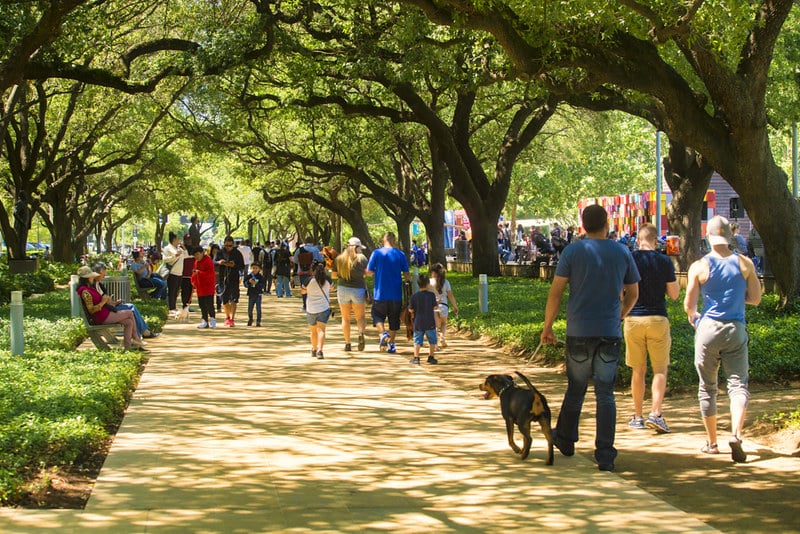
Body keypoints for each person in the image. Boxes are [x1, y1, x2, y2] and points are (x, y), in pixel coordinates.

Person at [541, 204, 640, 472]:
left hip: (578, 332)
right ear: (607, 223)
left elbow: (556, 293)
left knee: (576, 388)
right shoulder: (622, 251)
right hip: (609, 332)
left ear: (582, 226)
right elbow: (634, 292)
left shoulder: (572, 251)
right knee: (605, 394)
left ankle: (566, 438)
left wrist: (548, 327)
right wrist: (621, 313)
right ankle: (605, 454)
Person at [684, 215, 762, 463]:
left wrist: (694, 317)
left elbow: (689, 305)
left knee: (707, 387)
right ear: (729, 236)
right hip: (735, 328)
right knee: (738, 385)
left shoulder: (699, 266)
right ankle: (736, 436)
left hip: (708, 329)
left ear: (708, 237)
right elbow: (756, 298)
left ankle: (712, 442)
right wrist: (738, 299)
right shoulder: (745, 263)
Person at [623, 223, 679, 433]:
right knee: (660, 369)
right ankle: (655, 413)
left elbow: (622, 292)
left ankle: (637, 416)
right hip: (657, 319)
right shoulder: (664, 261)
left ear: (638, 239)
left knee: (638, 370)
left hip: (633, 319)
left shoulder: (630, 259)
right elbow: (674, 294)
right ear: (656, 241)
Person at [76, 266, 143, 351]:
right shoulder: (85, 291)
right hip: (101, 317)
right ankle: (136, 338)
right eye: (92, 276)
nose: (93, 278)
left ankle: (128, 347)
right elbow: (91, 309)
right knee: (130, 312)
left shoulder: (90, 288)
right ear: (87, 278)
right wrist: (103, 302)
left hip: (105, 314)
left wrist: (109, 301)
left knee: (129, 322)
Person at [366, 231, 411, 354]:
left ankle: (382, 333)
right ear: (394, 241)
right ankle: (391, 344)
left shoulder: (376, 253)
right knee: (394, 320)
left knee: (377, 315)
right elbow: (407, 274)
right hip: (396, 294)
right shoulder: (400, 254)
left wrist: (377, 272)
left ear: (383, 240)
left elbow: (369, 272)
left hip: (380, 293)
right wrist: (410, 283)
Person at [92, 262, 158, 340]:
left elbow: (105, 300)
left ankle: (139, 335)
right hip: (106, 312)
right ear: (97, 273)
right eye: (103, 275)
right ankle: (140, 334)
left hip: (109, 308)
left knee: (130, 308)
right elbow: (100, 302)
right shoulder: (93, 287)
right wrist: (109, 303)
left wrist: (114, 302)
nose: (104, 277)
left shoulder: (99, 285)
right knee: (131, 309)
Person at [334, 237, 369, 352]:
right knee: (360, 317)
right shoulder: (362, 258)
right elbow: (367, 273)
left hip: (343, 289)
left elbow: (334, 276)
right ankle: (360, 334)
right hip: (358, 289)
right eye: (360, 248)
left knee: (345, 318)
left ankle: (347, 343)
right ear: (357, 247)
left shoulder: (339, 259)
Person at [407, 273, 439, 365]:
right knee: (432, 340)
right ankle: (431, 357)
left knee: (417, 340)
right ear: (428, 284)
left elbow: (410, 309)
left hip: (418, 322)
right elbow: (435, 308)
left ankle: (416, 357)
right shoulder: (432, 295)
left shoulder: (414, 296)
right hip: (430, 322)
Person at [214, 235, 245, 327]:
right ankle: (227, 317)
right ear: (224, 244)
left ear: (233, 245)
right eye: (226, 245)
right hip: (222, 278)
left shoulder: (237, 253)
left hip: (234, 278)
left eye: (230, 246)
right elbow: (213, 262)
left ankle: (232, 318)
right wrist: (219, 262)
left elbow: (242, 266)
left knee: (234, 299)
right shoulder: (219, 253)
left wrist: (234, 265)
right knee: (224, 299)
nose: (228, 248)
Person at [305, 263, 332, 359]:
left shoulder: (309, 280)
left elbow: (303, 291)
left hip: (311, 308)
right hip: (323, 308)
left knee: (313, 331)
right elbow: (332, 288)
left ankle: (314, 348)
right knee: (321, 330)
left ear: (312, 270)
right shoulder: (327, 279)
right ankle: (320, 351)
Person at [429, 263, 459, 349]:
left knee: (434, 326)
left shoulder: (430, 282)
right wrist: (455, 306)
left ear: (433, 272)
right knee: (443, 323)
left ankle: (435, 344)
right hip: (444, 306)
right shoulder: (446, 282)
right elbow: (450, 295)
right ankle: (442, 337)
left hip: (433, 307)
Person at [293, 237, 324, 311]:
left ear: (305, 242)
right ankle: (314, 305)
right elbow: (321, 259)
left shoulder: (299, 249)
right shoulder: (316, 249)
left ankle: (305, 305)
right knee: (314, 289)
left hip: (302, 272)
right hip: (313, 272)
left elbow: (295, 260)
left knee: (304, 288)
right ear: (312, 242)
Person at [162, 231, 187, 315]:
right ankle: (171, 307)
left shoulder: (179, 249)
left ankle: (174, 306)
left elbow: (186, 256)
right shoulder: (167, 248)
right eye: (177, 239)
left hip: (180, 273)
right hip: (172, 272)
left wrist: (184, 248)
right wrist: (174, 256)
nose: (178, 241)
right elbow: (165, 259)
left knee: (176, 291)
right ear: (173, 240)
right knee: (172, 291)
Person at [191, 245, 217, 329]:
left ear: (202, 253)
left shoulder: (208, 261)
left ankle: (212, 319)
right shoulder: (196, 262)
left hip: (208, 287)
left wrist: (199, 273)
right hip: (200, 287)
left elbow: (210, 274)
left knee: (209, 304)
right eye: (195, 255)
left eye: (198, 254)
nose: (197, 257)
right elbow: (194, 273)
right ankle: (204, 320)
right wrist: (193, 281)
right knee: (202, 304)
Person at [243, 262, 266, 326]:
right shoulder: (249, 276)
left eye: (256, 268)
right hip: (251, 294)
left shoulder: (261, 277)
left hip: (258, 294)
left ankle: (258, 321)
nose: (254, 269)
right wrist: (249, 282)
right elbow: (245, 284)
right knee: (250, 309)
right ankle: (250, 318)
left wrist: (257, 284)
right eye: (253, 268)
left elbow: (263, 285)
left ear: (259, 269)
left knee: (258, 309)